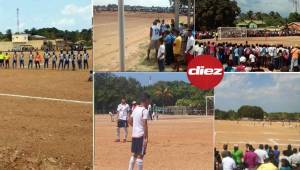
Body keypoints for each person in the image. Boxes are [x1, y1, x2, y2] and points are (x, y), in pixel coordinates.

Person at [127, 93, 150, 170]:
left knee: (134, 155)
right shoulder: (144, 110)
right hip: (141, 135)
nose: (149, 102)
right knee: (140, 156)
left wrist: (136, 126)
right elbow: (145, 124)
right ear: (146, 100)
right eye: (148, 101)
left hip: (134, 135)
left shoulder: (135, 109)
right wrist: (146, 137)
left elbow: (129, 121)